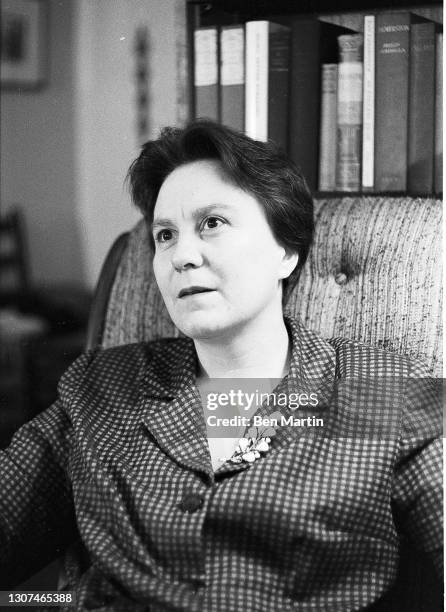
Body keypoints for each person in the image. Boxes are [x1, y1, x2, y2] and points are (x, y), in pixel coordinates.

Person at [0, 121, 442, 611]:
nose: (181, 256)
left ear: (286, 252)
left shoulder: (388, 393)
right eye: (165, 235)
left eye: (212, 222)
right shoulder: (101, 387)